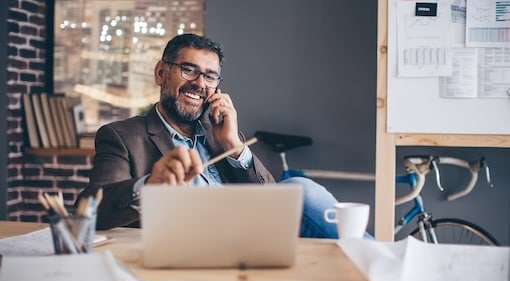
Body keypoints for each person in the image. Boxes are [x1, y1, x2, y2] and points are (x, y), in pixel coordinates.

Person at [77, 33, 349, 238]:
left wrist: (234, 145)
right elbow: (89, 210)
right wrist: (150, 185)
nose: (199, 83)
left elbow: (271, 198)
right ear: (161, 72)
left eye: (210, 76)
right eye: (189, 70)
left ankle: (373, 264)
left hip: (250, 238)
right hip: (190, 243)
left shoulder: (221, 135)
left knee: (302, 190)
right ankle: (378, 262)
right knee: (302, 189)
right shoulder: (122, 136)